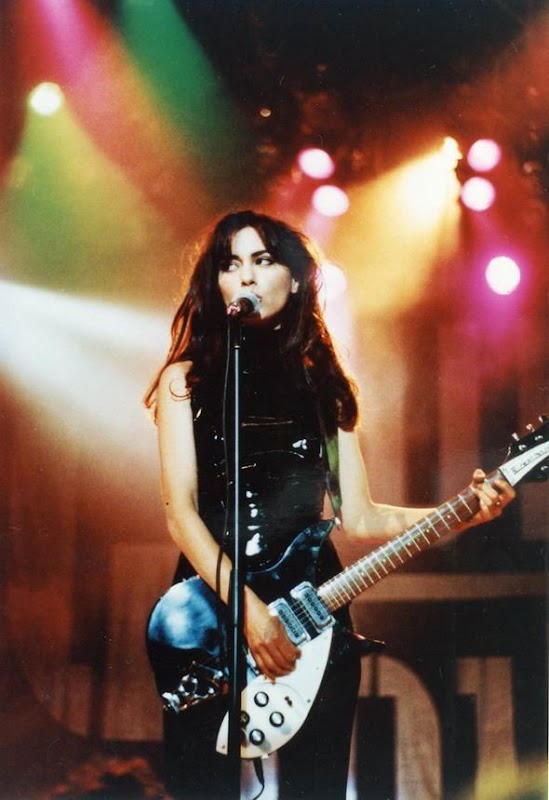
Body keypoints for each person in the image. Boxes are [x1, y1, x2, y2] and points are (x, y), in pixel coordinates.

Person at [144, 210, 515, 799]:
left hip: (313, 611)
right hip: (209, 619)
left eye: (263, 261)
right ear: (215, 284)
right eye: (230, 264)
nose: (245, 276)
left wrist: (465, 512)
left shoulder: (323, 387)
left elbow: (361, 516)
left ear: (294, 280)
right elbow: (180, 514)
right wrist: (249, 615)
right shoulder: (182, 383)